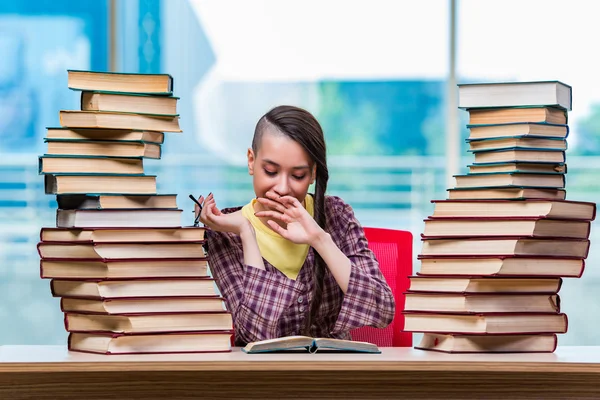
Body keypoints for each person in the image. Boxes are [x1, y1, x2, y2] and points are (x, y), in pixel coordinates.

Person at [195, 105, 394, 345]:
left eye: (298, 175)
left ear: (312, 174)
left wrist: (319, 240)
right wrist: (247, 233)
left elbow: (383, 309)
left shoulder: (336, 215)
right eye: (270, 171)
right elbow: (253, 337)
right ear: (251, 161)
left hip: (336, 373)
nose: (282, 188)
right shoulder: (225, 232)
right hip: (266, 378)